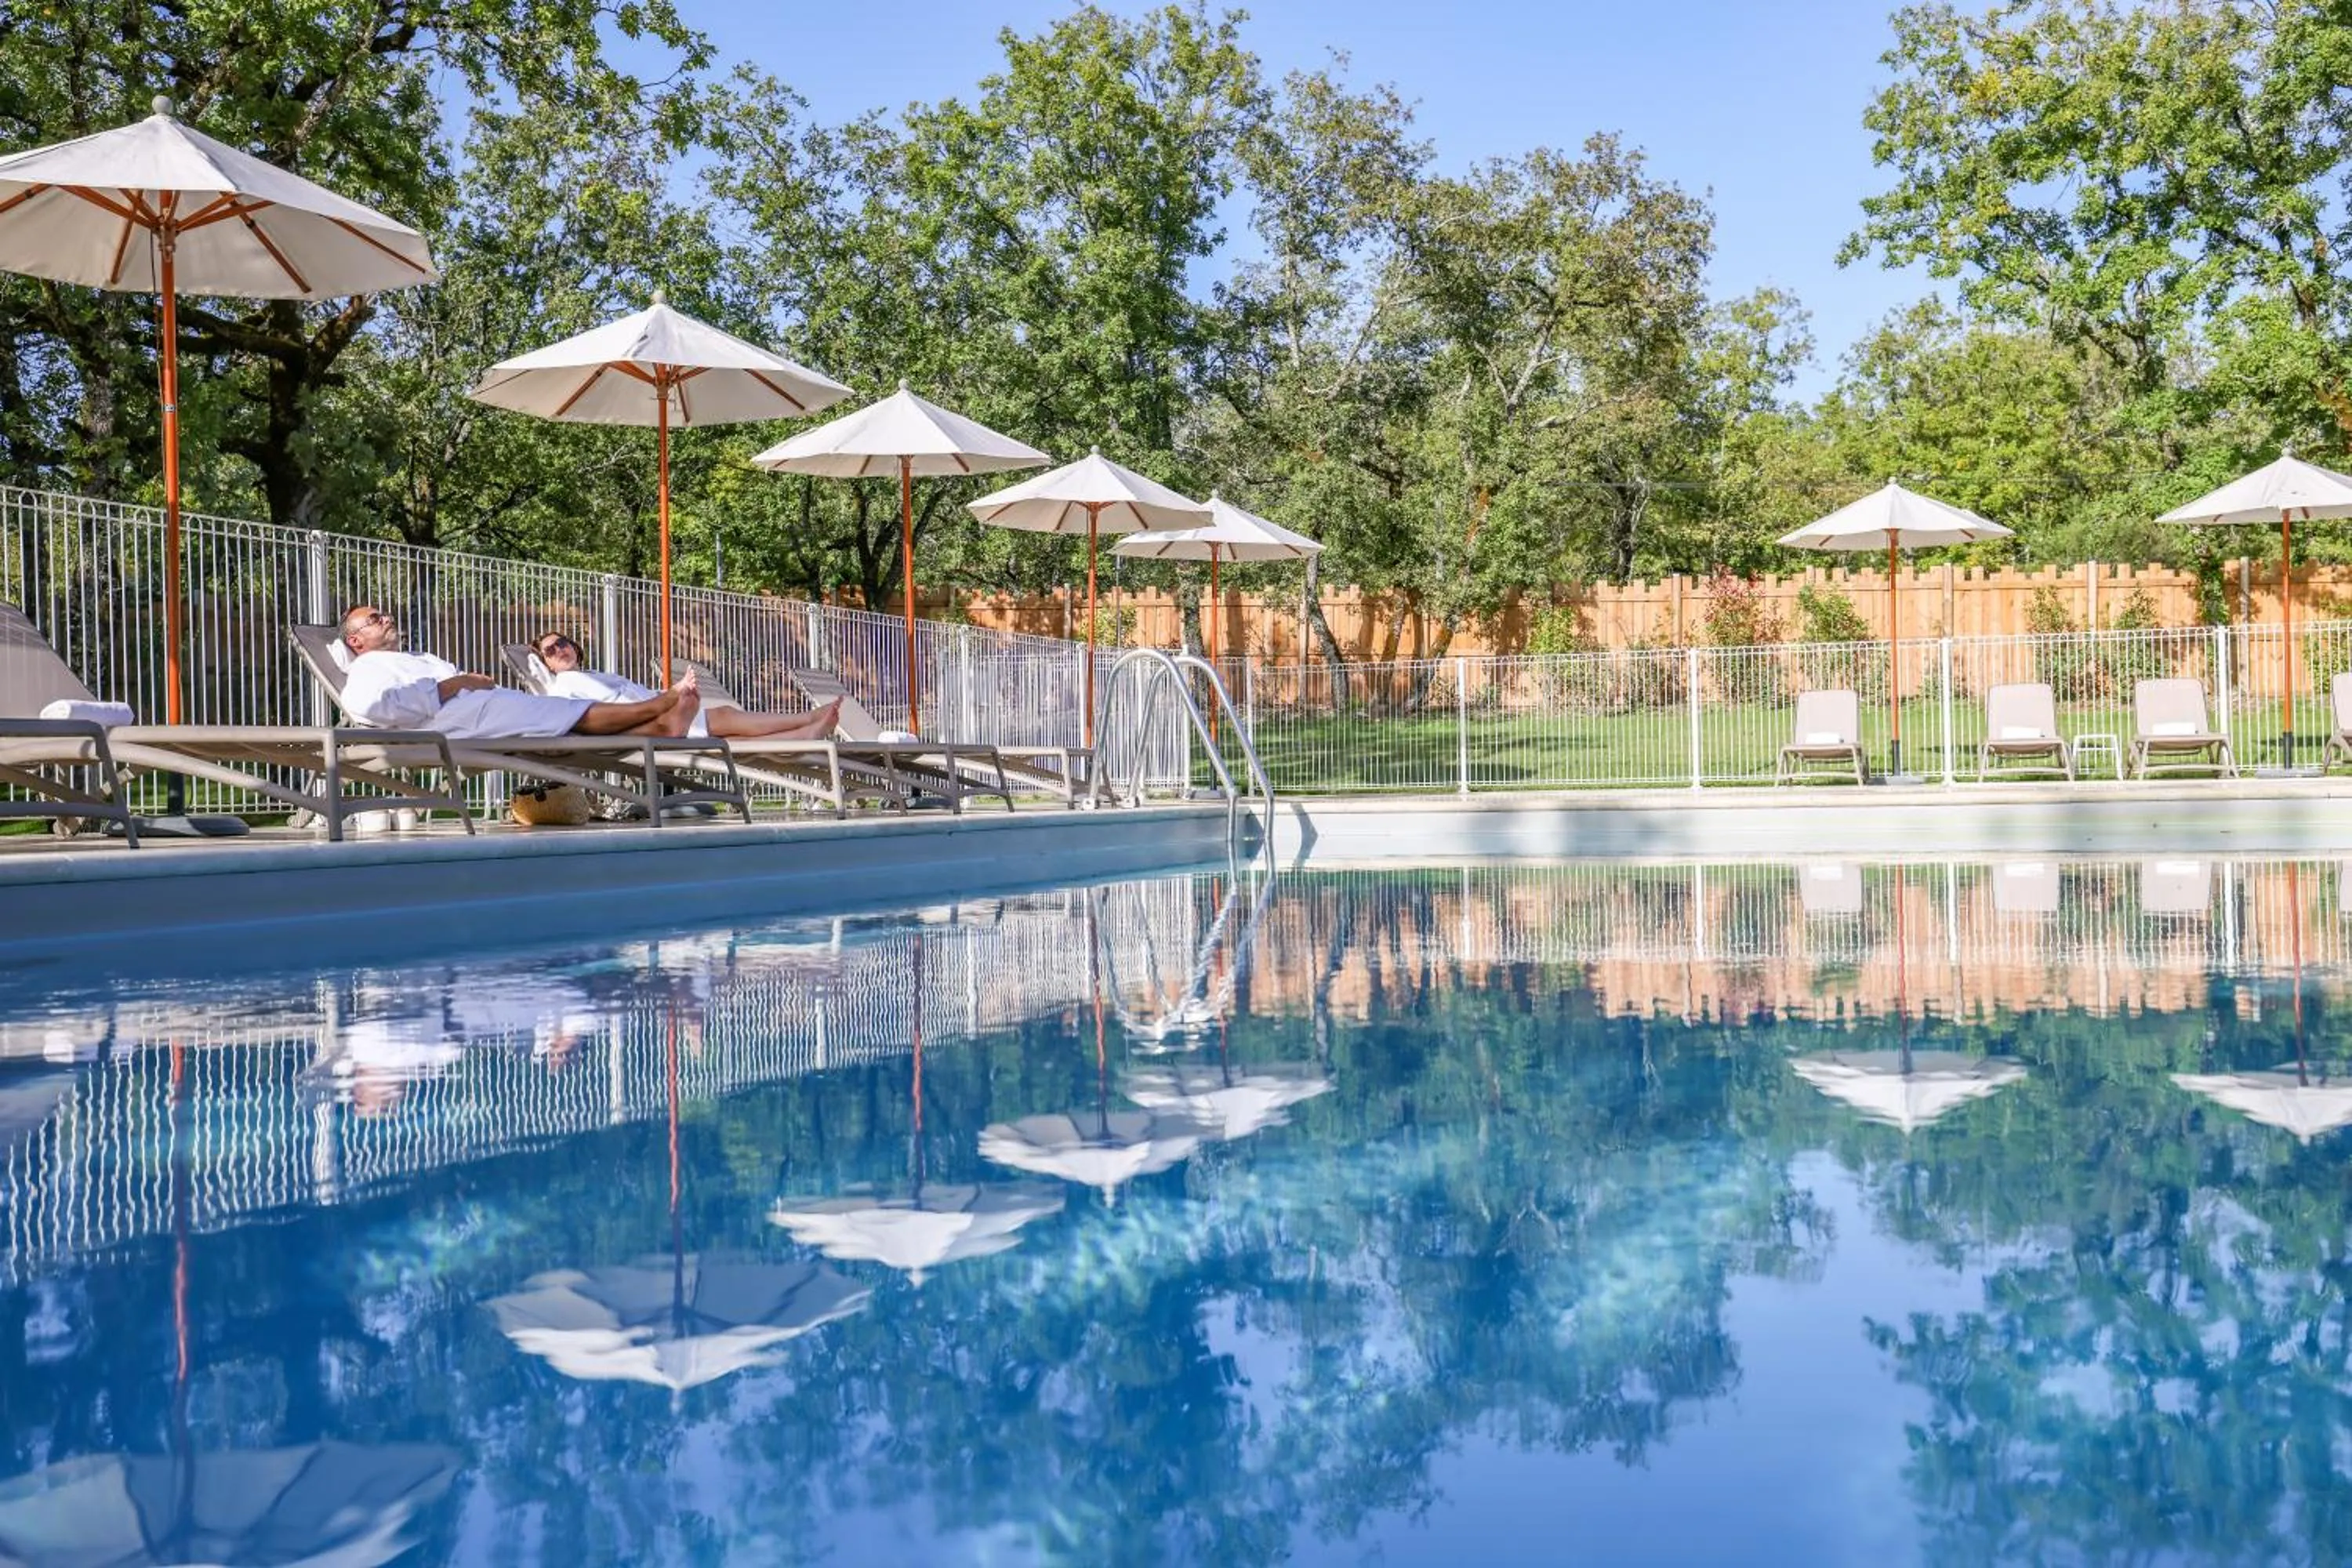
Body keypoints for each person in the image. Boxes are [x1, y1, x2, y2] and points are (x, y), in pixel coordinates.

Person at [337, 606, 699, 738]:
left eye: (384, 614)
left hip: (483, 708)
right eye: (375, 619)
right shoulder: (367, 668)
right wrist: (458, 683)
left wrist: (467, 683)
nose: (387, 618)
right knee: (563, 713)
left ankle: (659, 727)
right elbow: (368, 706)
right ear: (356, 641)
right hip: (459, 720)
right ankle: (657, 706)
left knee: (561, 723)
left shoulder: (413, 658)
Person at [532, 631, 842, 742]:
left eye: (562, 643)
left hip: (654, 709)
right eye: (550, 651)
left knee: (727, 741)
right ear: (546, 664)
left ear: (573, 646)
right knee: (724, 717)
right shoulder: (562, 687)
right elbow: (574, 716)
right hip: (642, 723)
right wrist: (670, 698)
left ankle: (804, 734)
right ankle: (806, 719)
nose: (560, 650)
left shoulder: (596, 675)